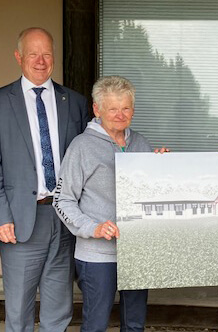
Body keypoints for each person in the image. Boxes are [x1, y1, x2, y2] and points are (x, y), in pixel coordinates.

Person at [0, 27, 89, 331]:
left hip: (64, 217)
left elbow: (90, 158)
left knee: (59, 308)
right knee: (19, 310)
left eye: (47, 54)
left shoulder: (75, 103)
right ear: (18, 57)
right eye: (33, 54)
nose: (41, 61)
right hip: (19, 220)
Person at [54, 76, 161, 332]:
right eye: (112, 108)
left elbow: (154, 194)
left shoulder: (142, 144)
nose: (120, 114)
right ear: (97, 109)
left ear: (133, 110)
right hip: (97, 255)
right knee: (96, 325)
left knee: (134, 323)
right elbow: (62, 199)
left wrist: (162, 167)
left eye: (126, 108)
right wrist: (93, 227)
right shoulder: (82, 146)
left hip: (137, 252)